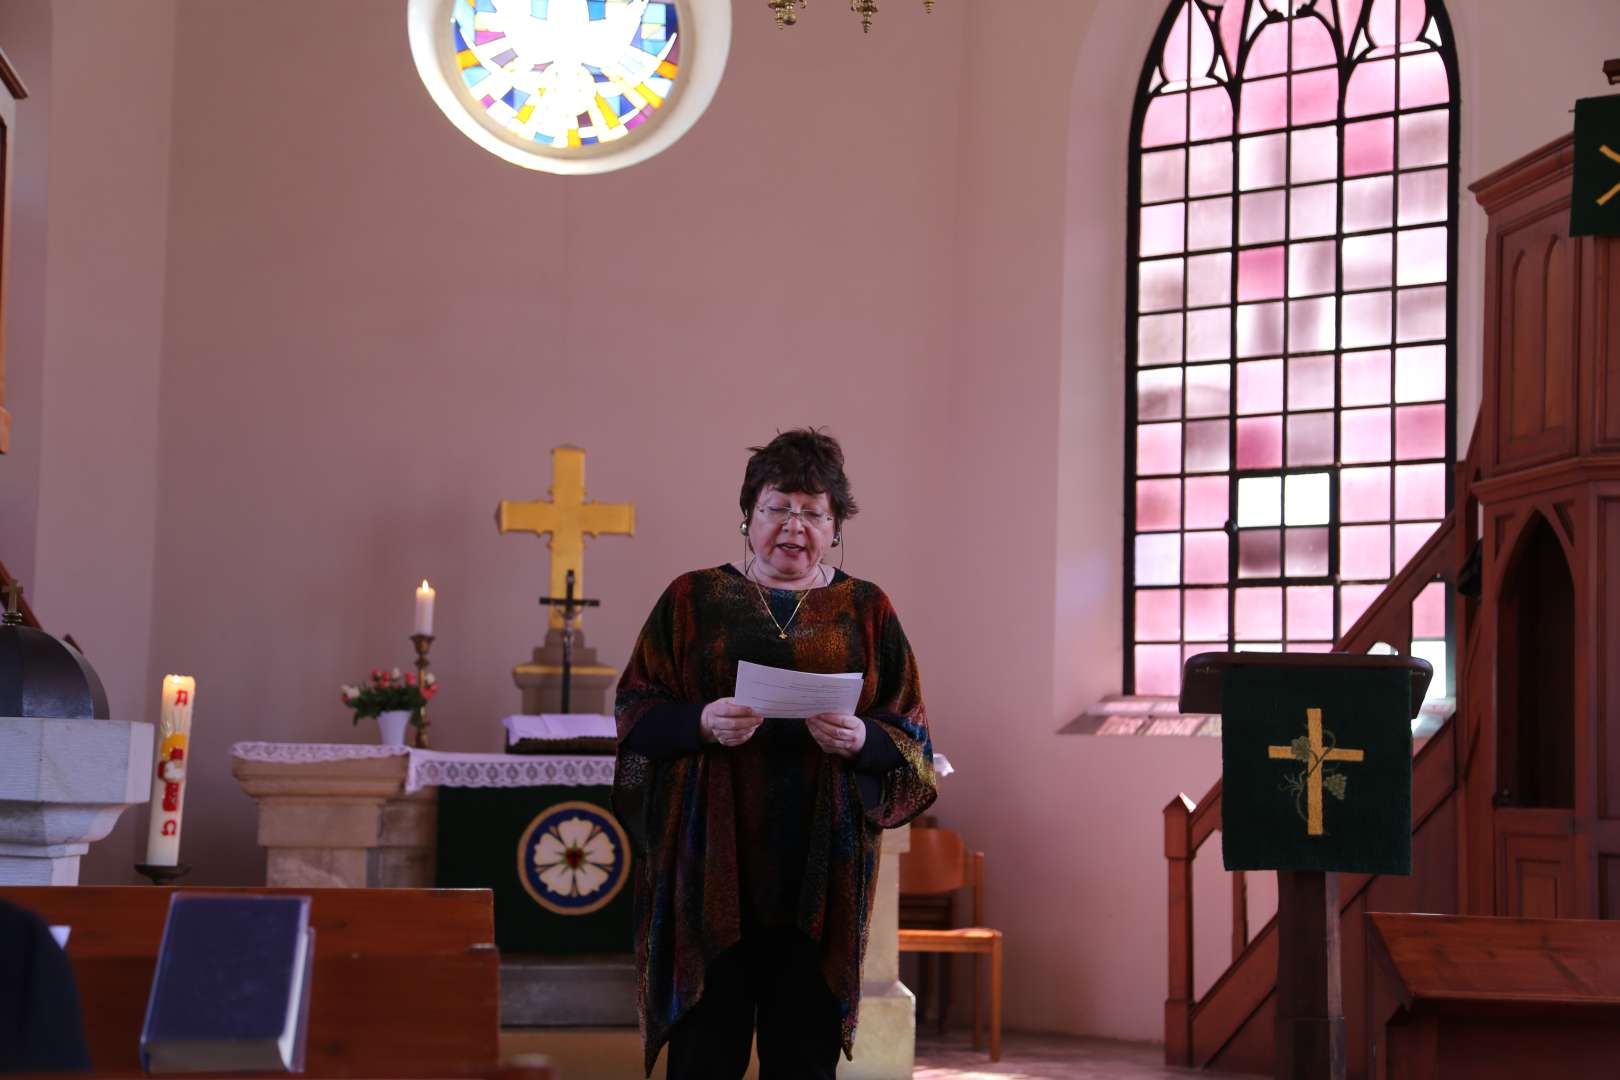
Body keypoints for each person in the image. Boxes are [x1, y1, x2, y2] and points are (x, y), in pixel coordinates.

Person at [614, 428, 937, 1080]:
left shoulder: (866, 609)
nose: (794, 526)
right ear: (748, 515)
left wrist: (863, 739)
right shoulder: (692, 600)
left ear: (836, 524)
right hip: (710, 869)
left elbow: (915, 740)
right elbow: (633, 716)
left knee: (802, 1059)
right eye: (777, 508)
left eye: (813, 512)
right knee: (707, 1055)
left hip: (821, 874)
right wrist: (701, 721)